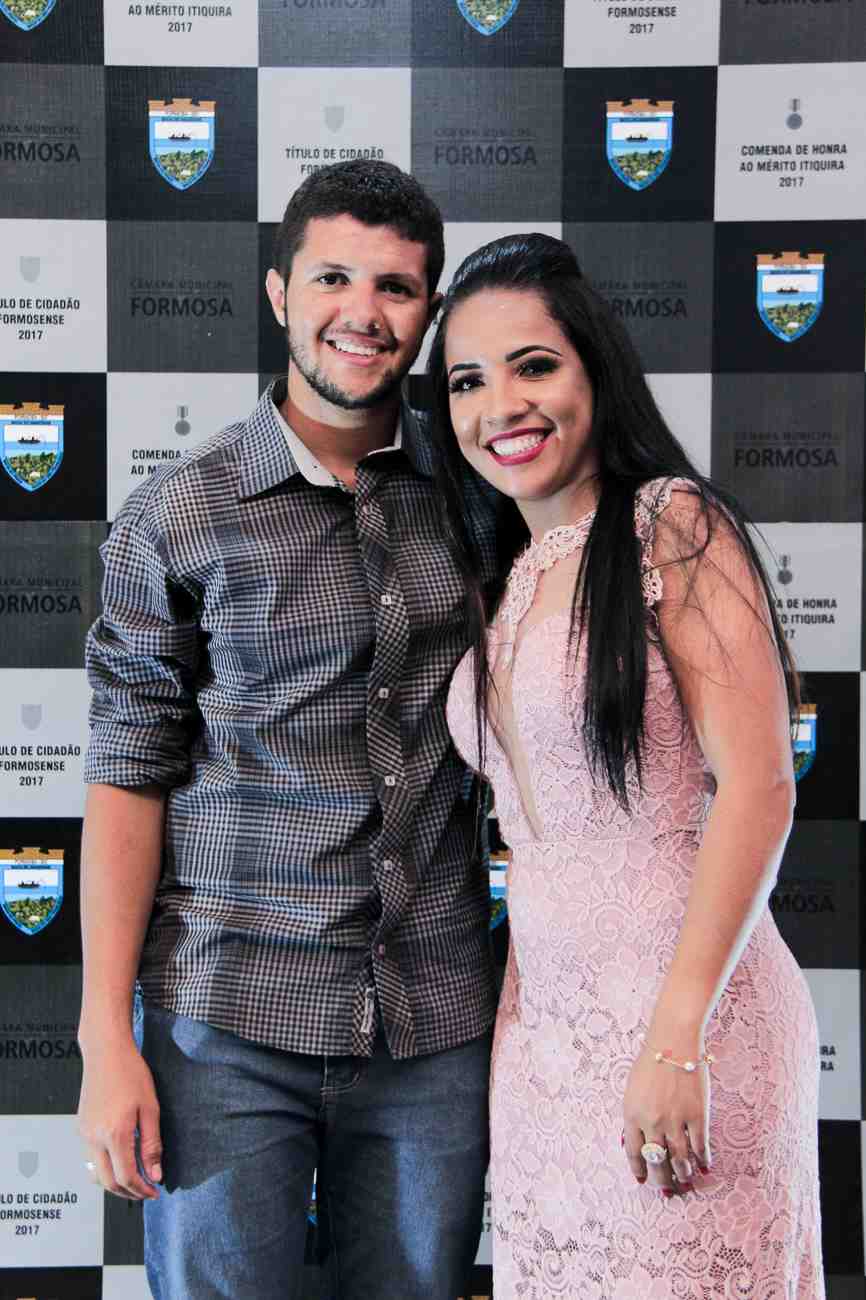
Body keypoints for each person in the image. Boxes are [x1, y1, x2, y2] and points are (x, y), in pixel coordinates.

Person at [77, 160, 498, 1300]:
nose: (363, 312)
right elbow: (126, 776)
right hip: (225, 1022)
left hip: (434, 1018)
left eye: (396, 287)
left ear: (428, 310)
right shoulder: (178, 514)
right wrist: (104, 1038)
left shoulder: (482, 494)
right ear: (278, 292)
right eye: (332, 278)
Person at [429, 233, 825, 1299]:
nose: (500, 406)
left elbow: (760, 785)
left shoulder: (670, 525)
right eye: (467, 380)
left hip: (689, 1026)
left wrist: (677, 1036)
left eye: (534, 366)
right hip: (542, 1051)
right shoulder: (505, 577)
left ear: (595, 371)